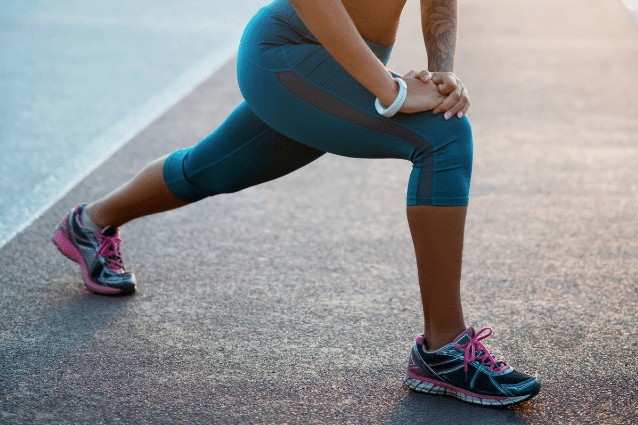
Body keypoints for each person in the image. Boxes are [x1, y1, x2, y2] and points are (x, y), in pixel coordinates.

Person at [52, 0, 540, 406]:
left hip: (335, 60)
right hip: (289, 52)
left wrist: (442, 75)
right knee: (444, 138)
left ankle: (90, 223)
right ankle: (445, 350)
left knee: (214, 168)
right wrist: (389, 90)